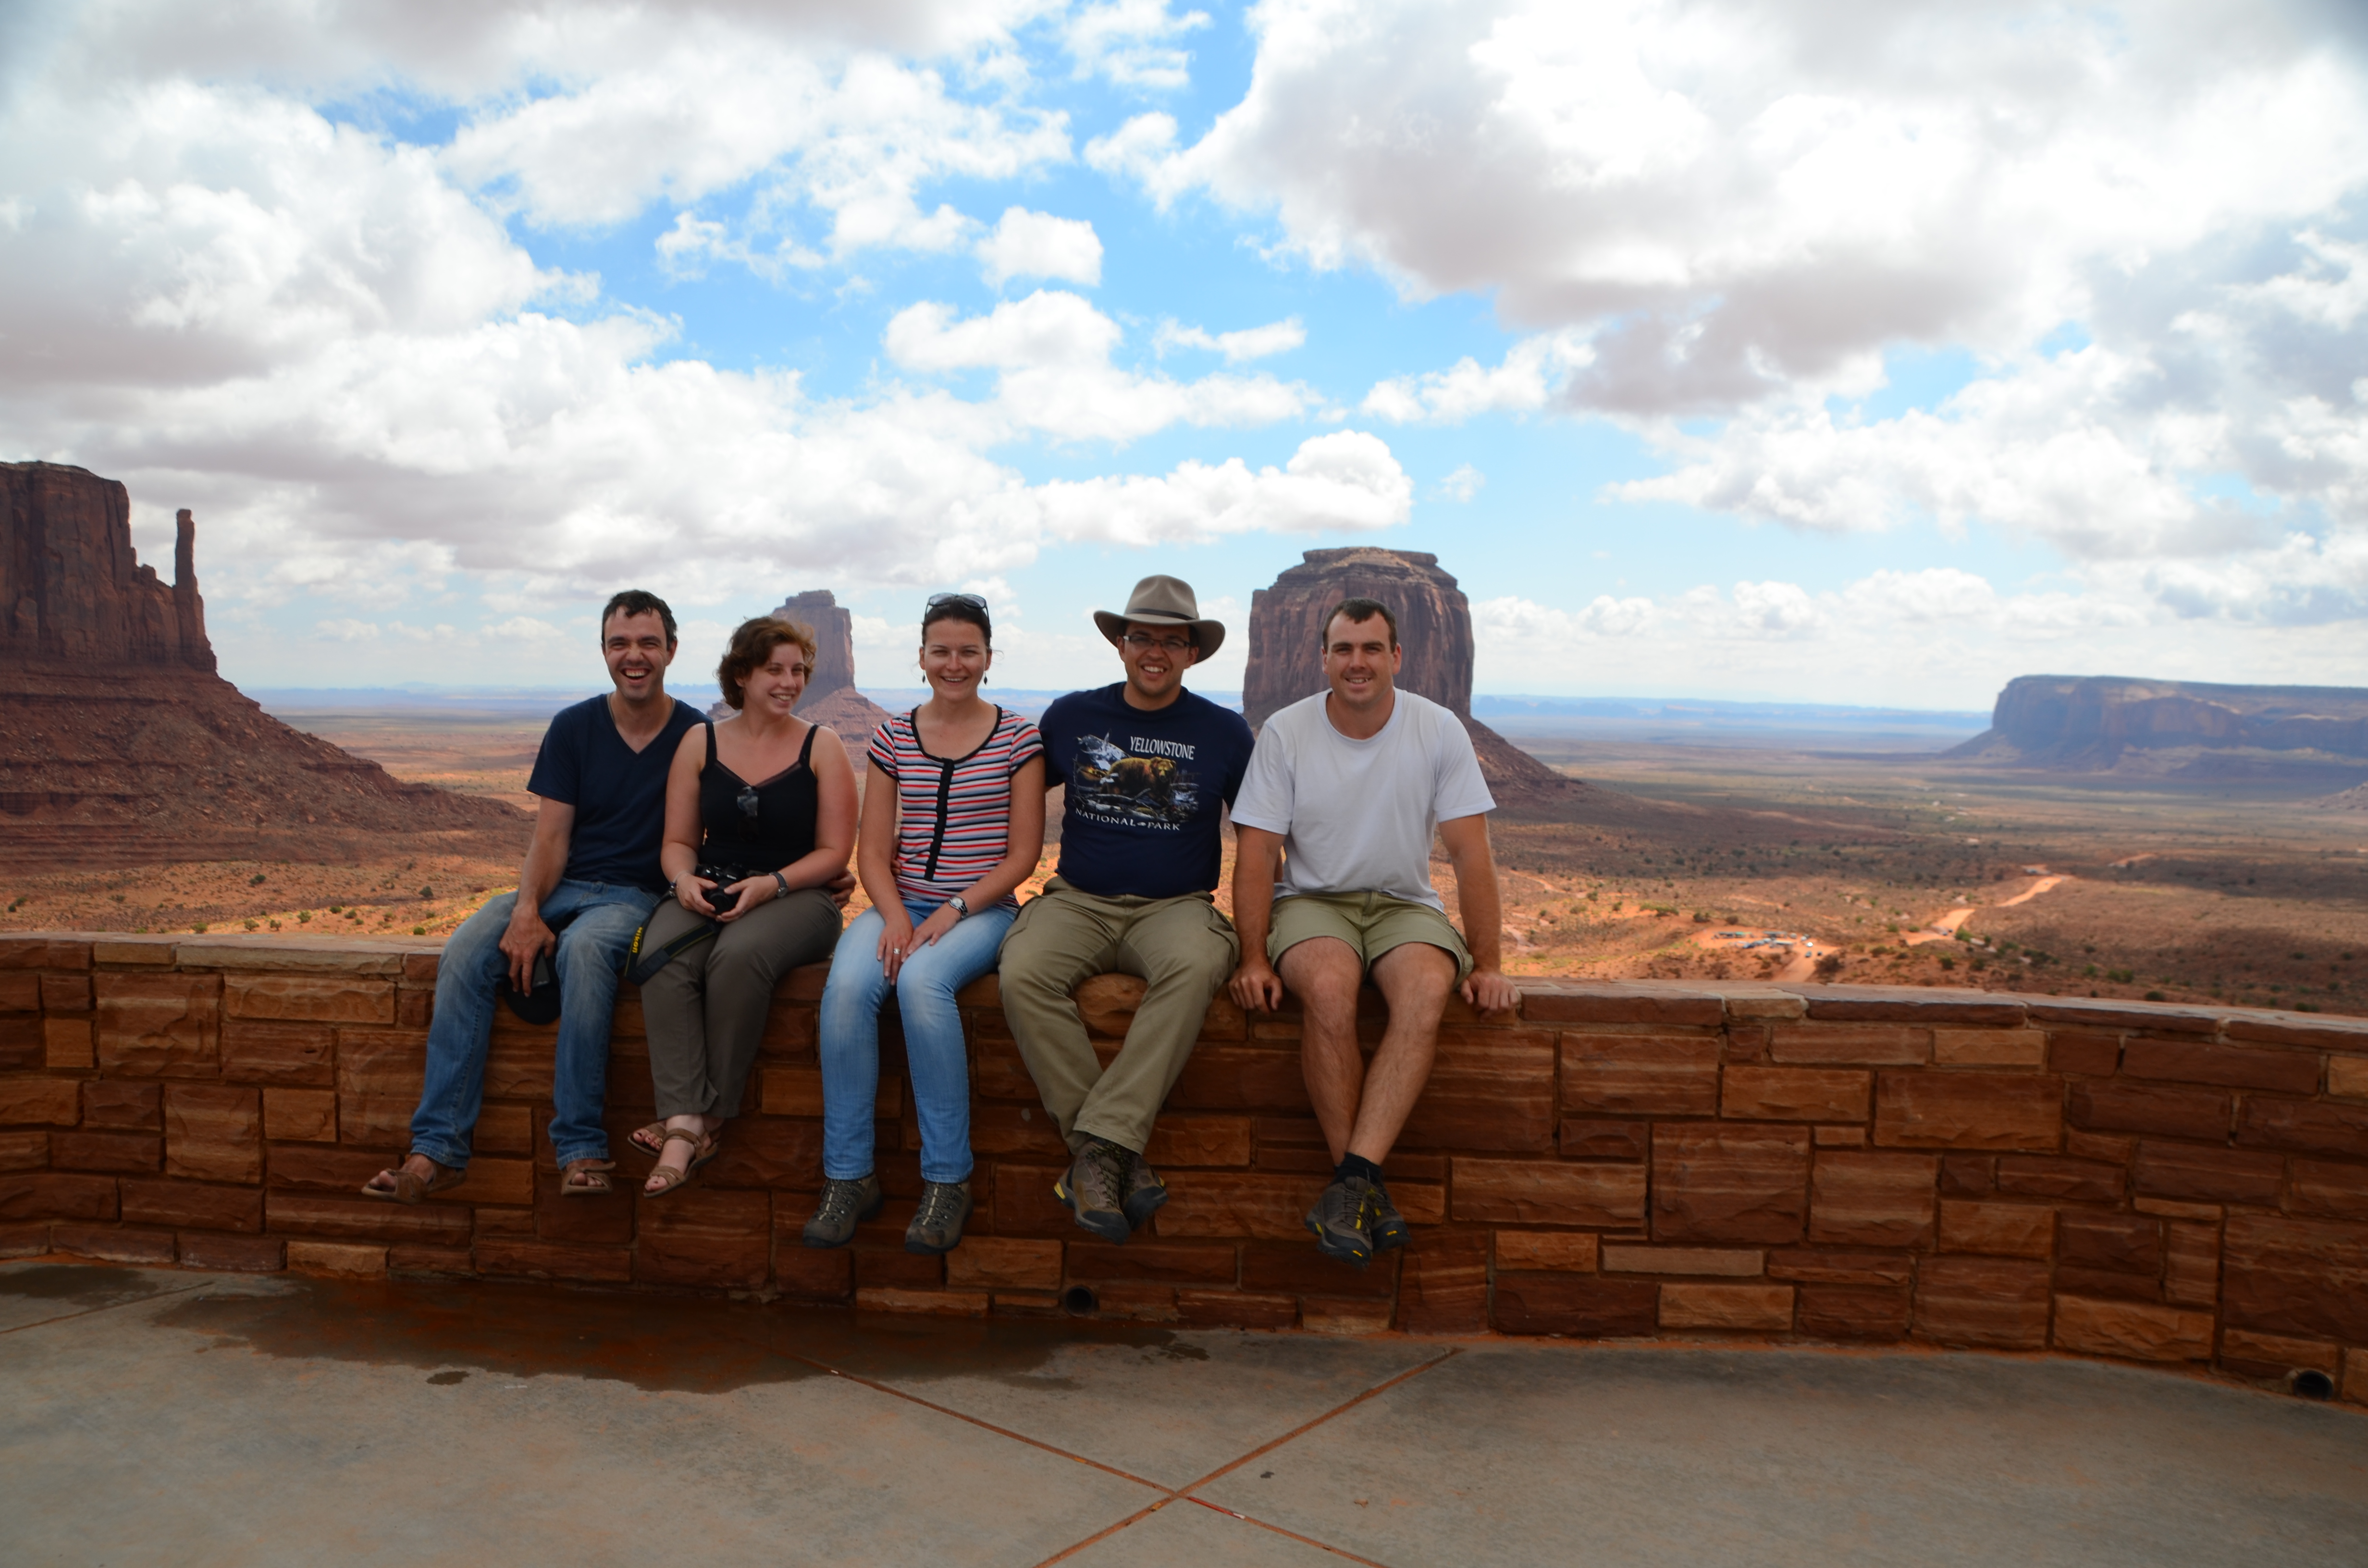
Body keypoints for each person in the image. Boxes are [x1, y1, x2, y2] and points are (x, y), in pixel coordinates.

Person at [364, 590, 703, 1203]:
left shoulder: (695, 734)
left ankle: (581, 1150)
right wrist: (525, 911)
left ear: (671, 651)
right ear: (604, 651)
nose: (634, 656)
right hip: (563, 885)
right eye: (620, 643)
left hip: (635, 896)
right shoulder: (574, 727)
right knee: (467, 951)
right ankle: (436, 1149)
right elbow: (550, 837)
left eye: (648, 643)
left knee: (584, 953)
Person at [1227, 597, 1519, 1267]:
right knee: (1329, 989)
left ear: (1396, 657)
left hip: (1403, 905)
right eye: (1343, 649)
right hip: (1312, 903)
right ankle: (1361, 1185)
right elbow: (1256, 854)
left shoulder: (1438, 728)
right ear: (1323, 657)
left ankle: (1350, 1186)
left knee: (1423, 994)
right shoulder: (1286, 731)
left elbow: (1472, 855)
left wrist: (1490, 963)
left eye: (1370, 648)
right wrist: (1252, 958)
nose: (1356, 662)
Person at [997, 576, 1254, 1243]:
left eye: (1173, 640)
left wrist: (1260, 943)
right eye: (1142, 636)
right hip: (1078, 900)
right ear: (1120, 643)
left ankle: (1096, 1153)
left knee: (1198, 967)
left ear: (1193, 652)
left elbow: (1263, 838)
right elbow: (1005, 791)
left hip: (1176, 907)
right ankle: (1112, 1155)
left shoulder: (1224, 732)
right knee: (1022, 971)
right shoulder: (1072, 717)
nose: (1155, 651)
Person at [804, 593, 1045, 1256]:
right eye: (941, 650)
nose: (955, 663)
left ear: (989, 659)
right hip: (899, 905)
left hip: (983, 911)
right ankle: (849, 1176)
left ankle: (947, 1180)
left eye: (969, 651)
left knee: (921, 986)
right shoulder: (892, 735)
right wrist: (890, 916)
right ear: (921, 658)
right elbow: (872, 849)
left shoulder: (1021, 737)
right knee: (849, 988)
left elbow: (1023, 853)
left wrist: (954, 909)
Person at [630, 617, 857, 1195]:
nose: (789, 682)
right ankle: (684, 1118)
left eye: (798, 671)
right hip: (710, 883)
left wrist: (773, 884)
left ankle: (708, 1120)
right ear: (741, 675)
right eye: (774, 670)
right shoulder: (701, 741)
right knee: (661, 955)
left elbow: (836, 852)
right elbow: (678, 840)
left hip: (799, 895)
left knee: (737, 958)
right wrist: (682, 880)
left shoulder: (821, 745)